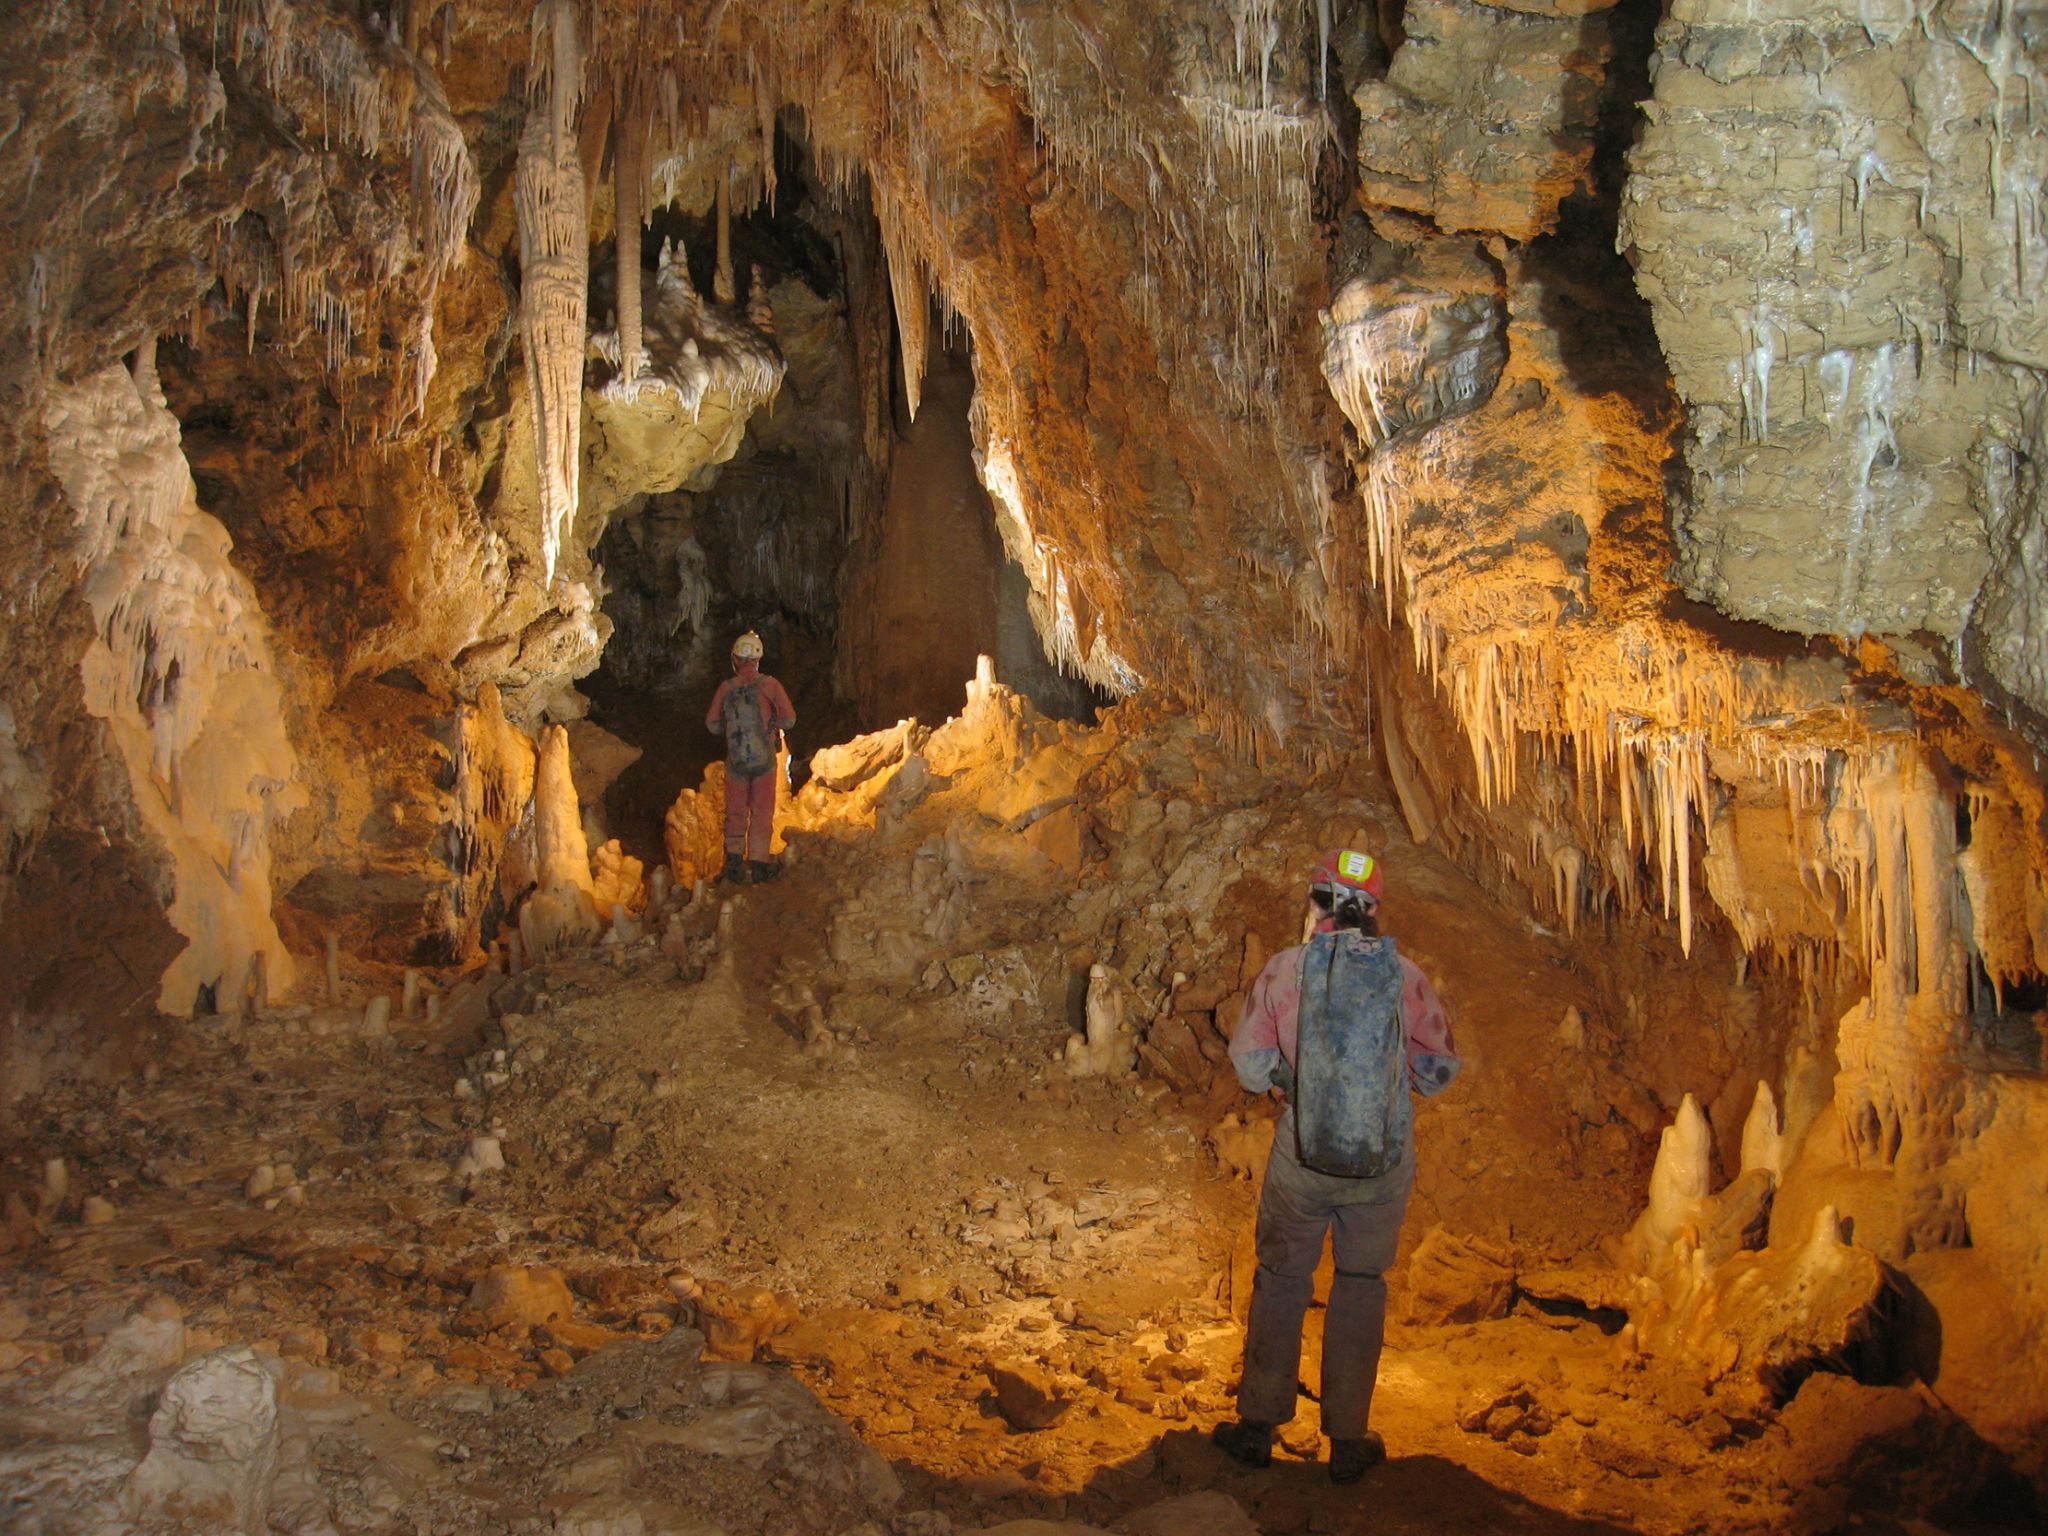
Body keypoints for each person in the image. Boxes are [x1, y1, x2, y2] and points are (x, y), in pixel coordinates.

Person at [1213, 848, 1460, 1483]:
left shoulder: (1284, 971)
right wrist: (1379, 1088)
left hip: (1304, 1155)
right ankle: (1348, 1439)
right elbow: (1437, 1075)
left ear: (1315, 902)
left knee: (1283, 1276)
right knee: (1361, 1284)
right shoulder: (1406, 977)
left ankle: (1258, 1426)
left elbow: (1247, 1066)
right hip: (1381, 1163)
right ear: (1373, 910)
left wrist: (1293, 1085)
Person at [704, 630, 795, 884]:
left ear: (734, 658)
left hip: (736, 761)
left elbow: (712, 724)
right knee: (761, 812)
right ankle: (759, 866)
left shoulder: (726, 687)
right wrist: (770, 725)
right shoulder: (770, 685)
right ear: (758, 659)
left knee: (736, 812)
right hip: (764, 760)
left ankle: (733, 865)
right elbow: (789, 718)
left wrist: (732, 730)